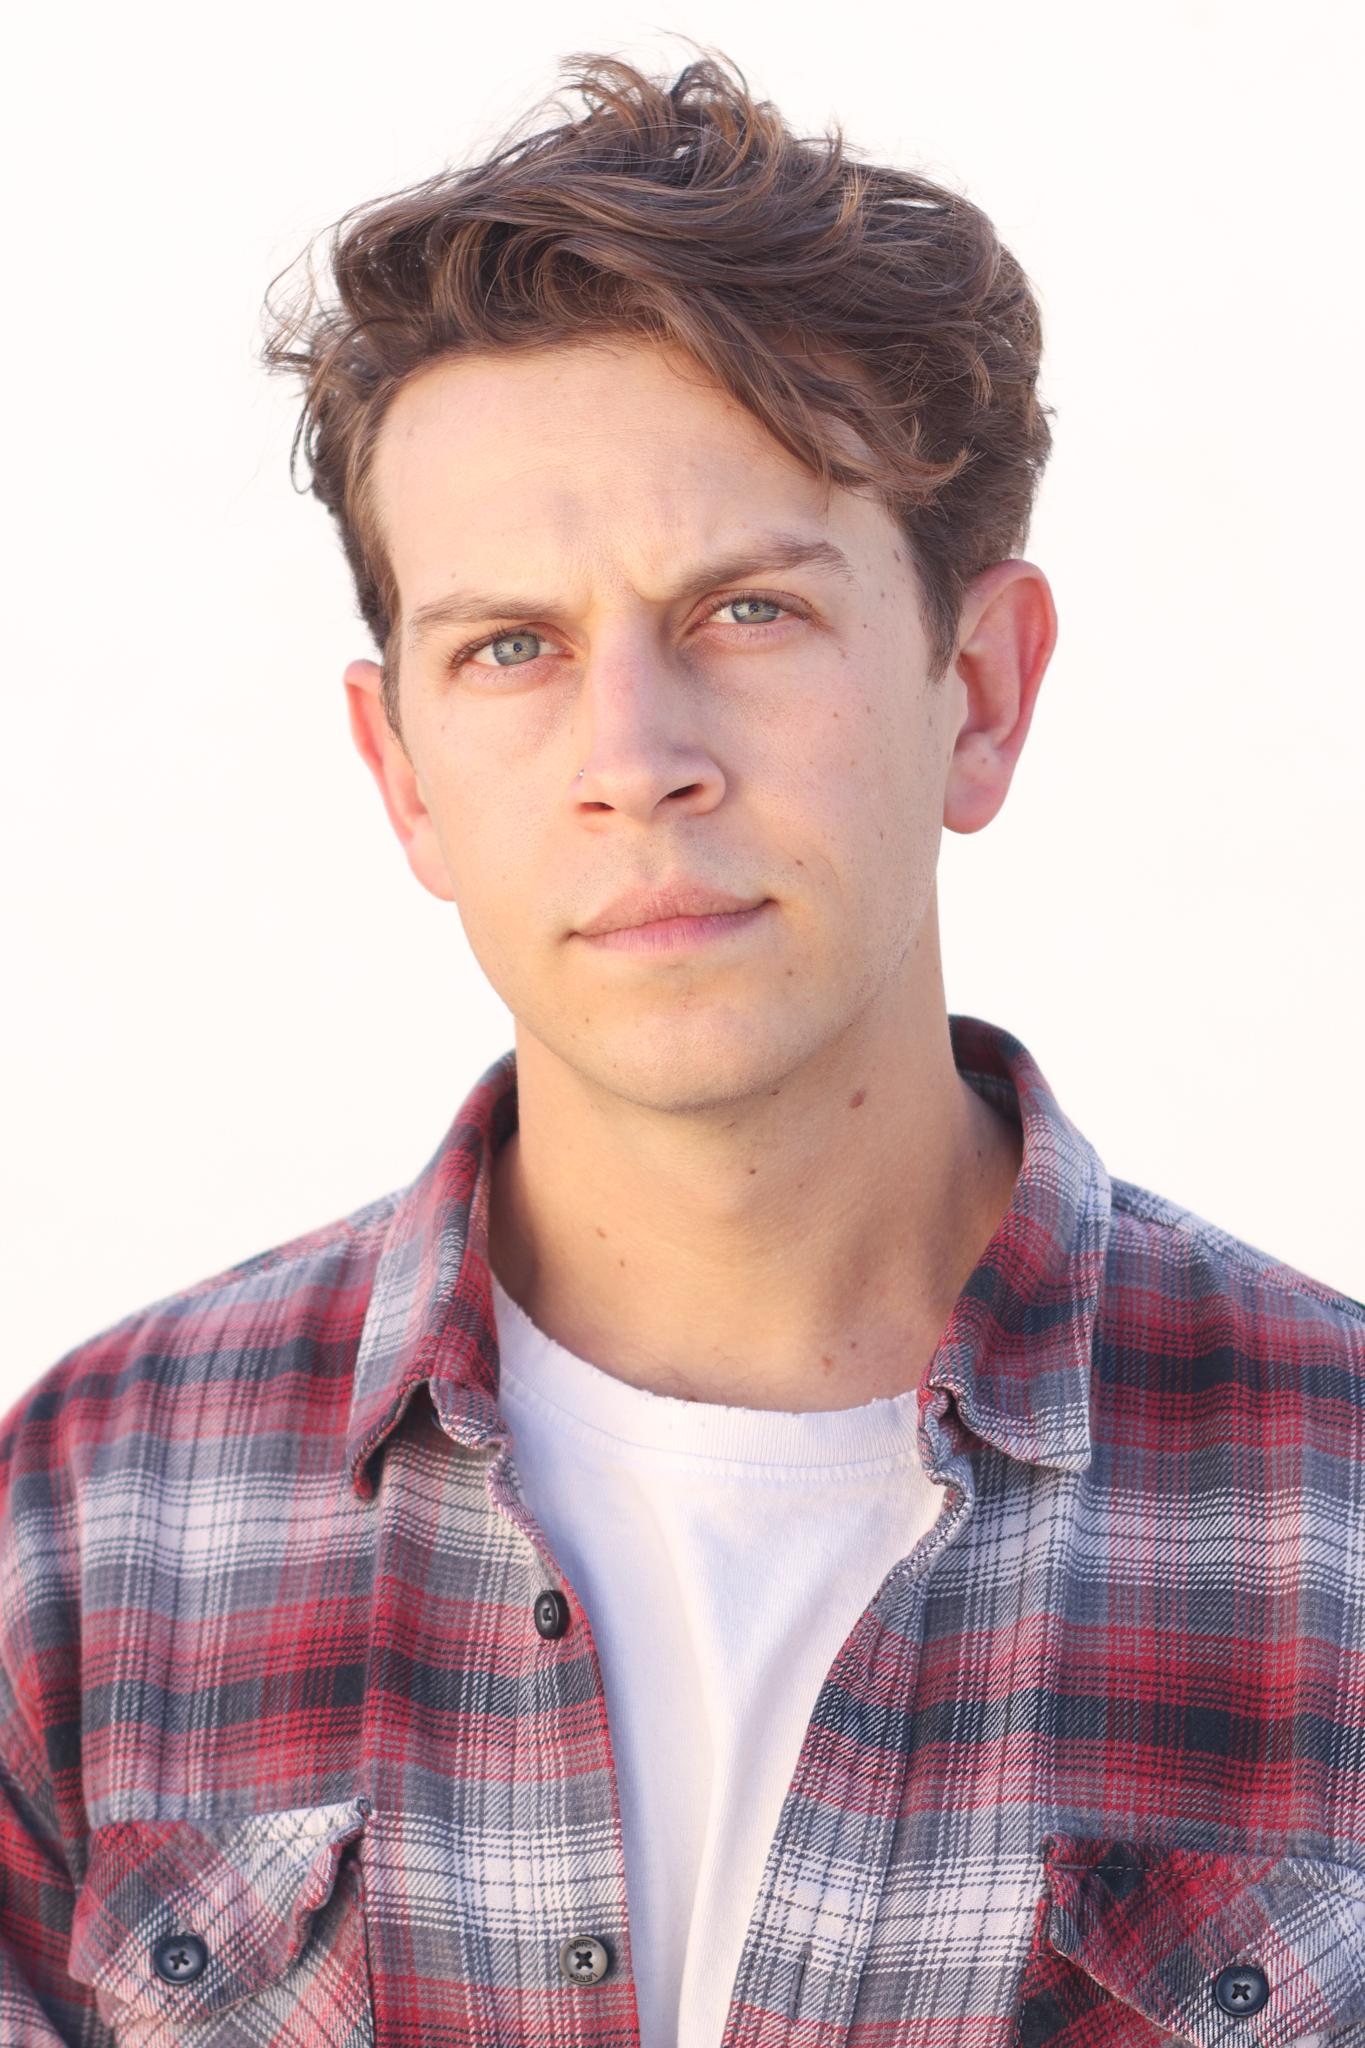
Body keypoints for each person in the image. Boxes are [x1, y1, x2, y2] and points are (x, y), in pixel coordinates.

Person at [3, 42, 1362, 2048]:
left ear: (979, 690)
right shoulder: (90, 1530)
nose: (632, 759)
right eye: (512, 648)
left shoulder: (1336, 1515)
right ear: (404, 774)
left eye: (744, 612)